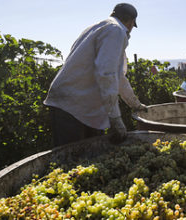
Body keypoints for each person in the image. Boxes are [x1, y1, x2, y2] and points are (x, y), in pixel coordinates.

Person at [44, 3, 146, 147]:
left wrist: (134, 103)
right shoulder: (116, 31)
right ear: (130, 22)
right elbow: (107, 74)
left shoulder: (97, 28)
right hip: (73, 106)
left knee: (86, 157)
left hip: (72, 102)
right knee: (74, 159)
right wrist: (115, 117)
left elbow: (118, 77)